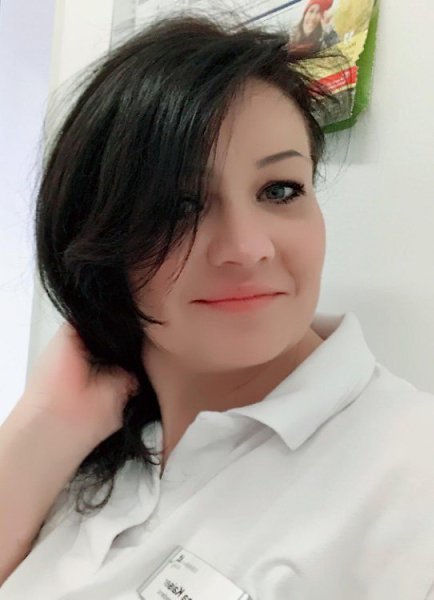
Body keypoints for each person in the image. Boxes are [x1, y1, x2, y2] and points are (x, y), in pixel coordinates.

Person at [1, 11, 434, 600]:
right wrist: (43, 427)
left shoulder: (411, 481)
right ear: (99, 238)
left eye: (279, 190)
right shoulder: (85, 438)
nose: (247, 248)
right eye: (178, 206)